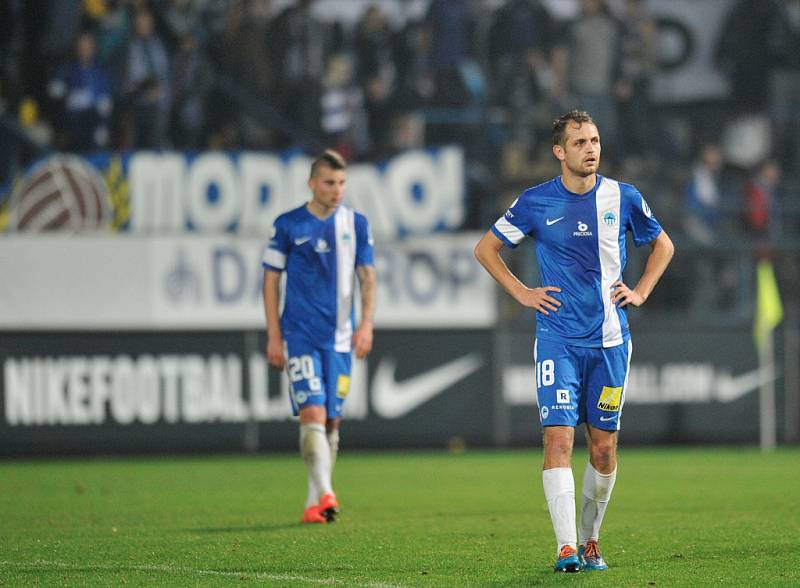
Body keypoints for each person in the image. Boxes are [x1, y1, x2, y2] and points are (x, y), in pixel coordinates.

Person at [474, 110, 674, 572]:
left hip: (610, 342)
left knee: (603, 448)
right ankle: (565, 547)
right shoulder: (535, 201)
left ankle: (590, 540)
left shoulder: (623, 197)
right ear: (559, 152)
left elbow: (663, 245)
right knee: (558, 438)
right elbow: (486, 248)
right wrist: (522, 292)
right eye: (581, 142)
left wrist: (640, 290)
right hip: (558, 340)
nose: (592, 149)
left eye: (596, 140)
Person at [261, 150, 376, 525]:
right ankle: (327, 492)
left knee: (332, 422)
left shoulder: (356, 224)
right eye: (329, 183)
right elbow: (271, 280)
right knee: (312, 412)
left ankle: (315, 502)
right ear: (312, 183)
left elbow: (367, 278)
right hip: (301, 334)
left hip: (341, 338)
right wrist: (275, 335)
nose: (337, 189)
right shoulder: (288, 225)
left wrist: (366, 325)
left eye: (342, 183)